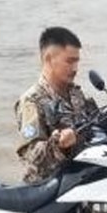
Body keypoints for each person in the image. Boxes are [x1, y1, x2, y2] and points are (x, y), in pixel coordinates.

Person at [15, 26, 97, 183]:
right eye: (69, 61)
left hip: (79, 177)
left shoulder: (76, 94)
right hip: (48, 189)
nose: (75, 68)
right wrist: (59, 146)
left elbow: (96, 123)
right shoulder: (31, 101)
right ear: (48, 59)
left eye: (77, 62)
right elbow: (31, 157)